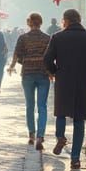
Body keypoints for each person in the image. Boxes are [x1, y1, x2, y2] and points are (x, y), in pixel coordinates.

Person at [44, 9, 86, 170]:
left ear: (66, 21)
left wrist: (55, 71)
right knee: (79, 119)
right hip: (84, 82)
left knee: (61, 113)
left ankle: (60, 136)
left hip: (64, 80)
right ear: (79, 20)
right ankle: (76, 158)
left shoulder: (57, 37)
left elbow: (47, 59)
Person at [8, 13, 52, 150]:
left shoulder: (23, 38)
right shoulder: (47, 38)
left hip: (27, 74)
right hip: (43, 74)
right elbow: (50, 57)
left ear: (29, 23)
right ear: (40, 23)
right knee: (42, 106)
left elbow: (17, 54)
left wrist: (13, 66)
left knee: (29, 105)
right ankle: (40, 136)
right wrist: (51, 72)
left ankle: (31, 135)